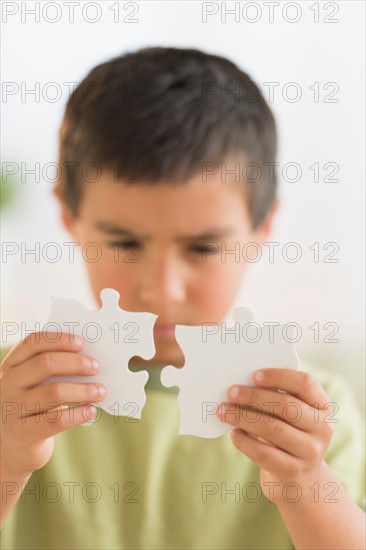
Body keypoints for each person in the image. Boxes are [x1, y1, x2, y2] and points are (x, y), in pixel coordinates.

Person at [1, 47, 365, 549]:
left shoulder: (313, 413)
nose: (161, 290)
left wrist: (303, 483)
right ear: (68, 217)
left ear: (262, 228)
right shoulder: (13, 393)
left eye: (203, 247)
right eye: (125, 243)